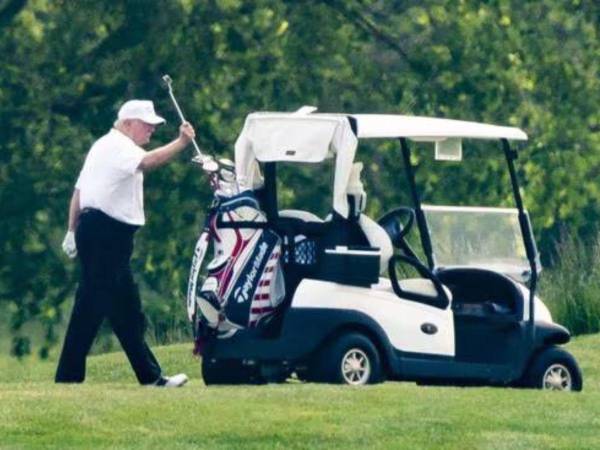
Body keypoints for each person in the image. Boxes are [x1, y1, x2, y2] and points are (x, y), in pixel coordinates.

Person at [56, 99, 194, 387]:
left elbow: (79, 192)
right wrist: (181, 142)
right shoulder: (119, 146)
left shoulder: (103, 145)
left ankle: (151, 377)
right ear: (129, 122)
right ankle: (67, 379)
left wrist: (72, 229)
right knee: (90, 305)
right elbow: (148, 162)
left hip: (102, 232)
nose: (152, 130)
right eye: (147, 125)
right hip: (105, 233)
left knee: (126, 310)